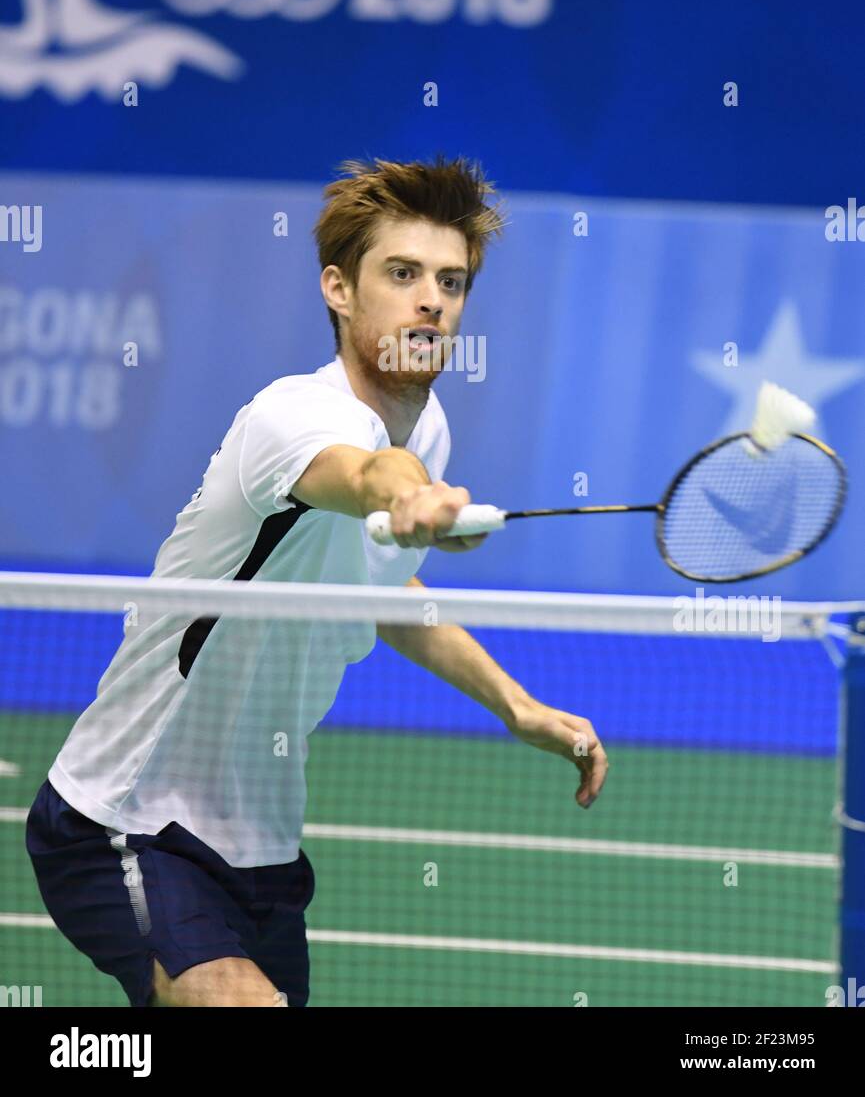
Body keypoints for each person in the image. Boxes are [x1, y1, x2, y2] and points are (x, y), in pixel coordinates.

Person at [26, 155, 608, 1008]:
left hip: (259, 845)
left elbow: (380, 589)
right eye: (401, 273)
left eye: (450, 281)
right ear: (338, 289)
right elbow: (366, 472)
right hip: (128, 817)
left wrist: (513, 704)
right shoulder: (290, 415)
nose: (430, 300)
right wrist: (411, 492)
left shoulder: (430, 425)